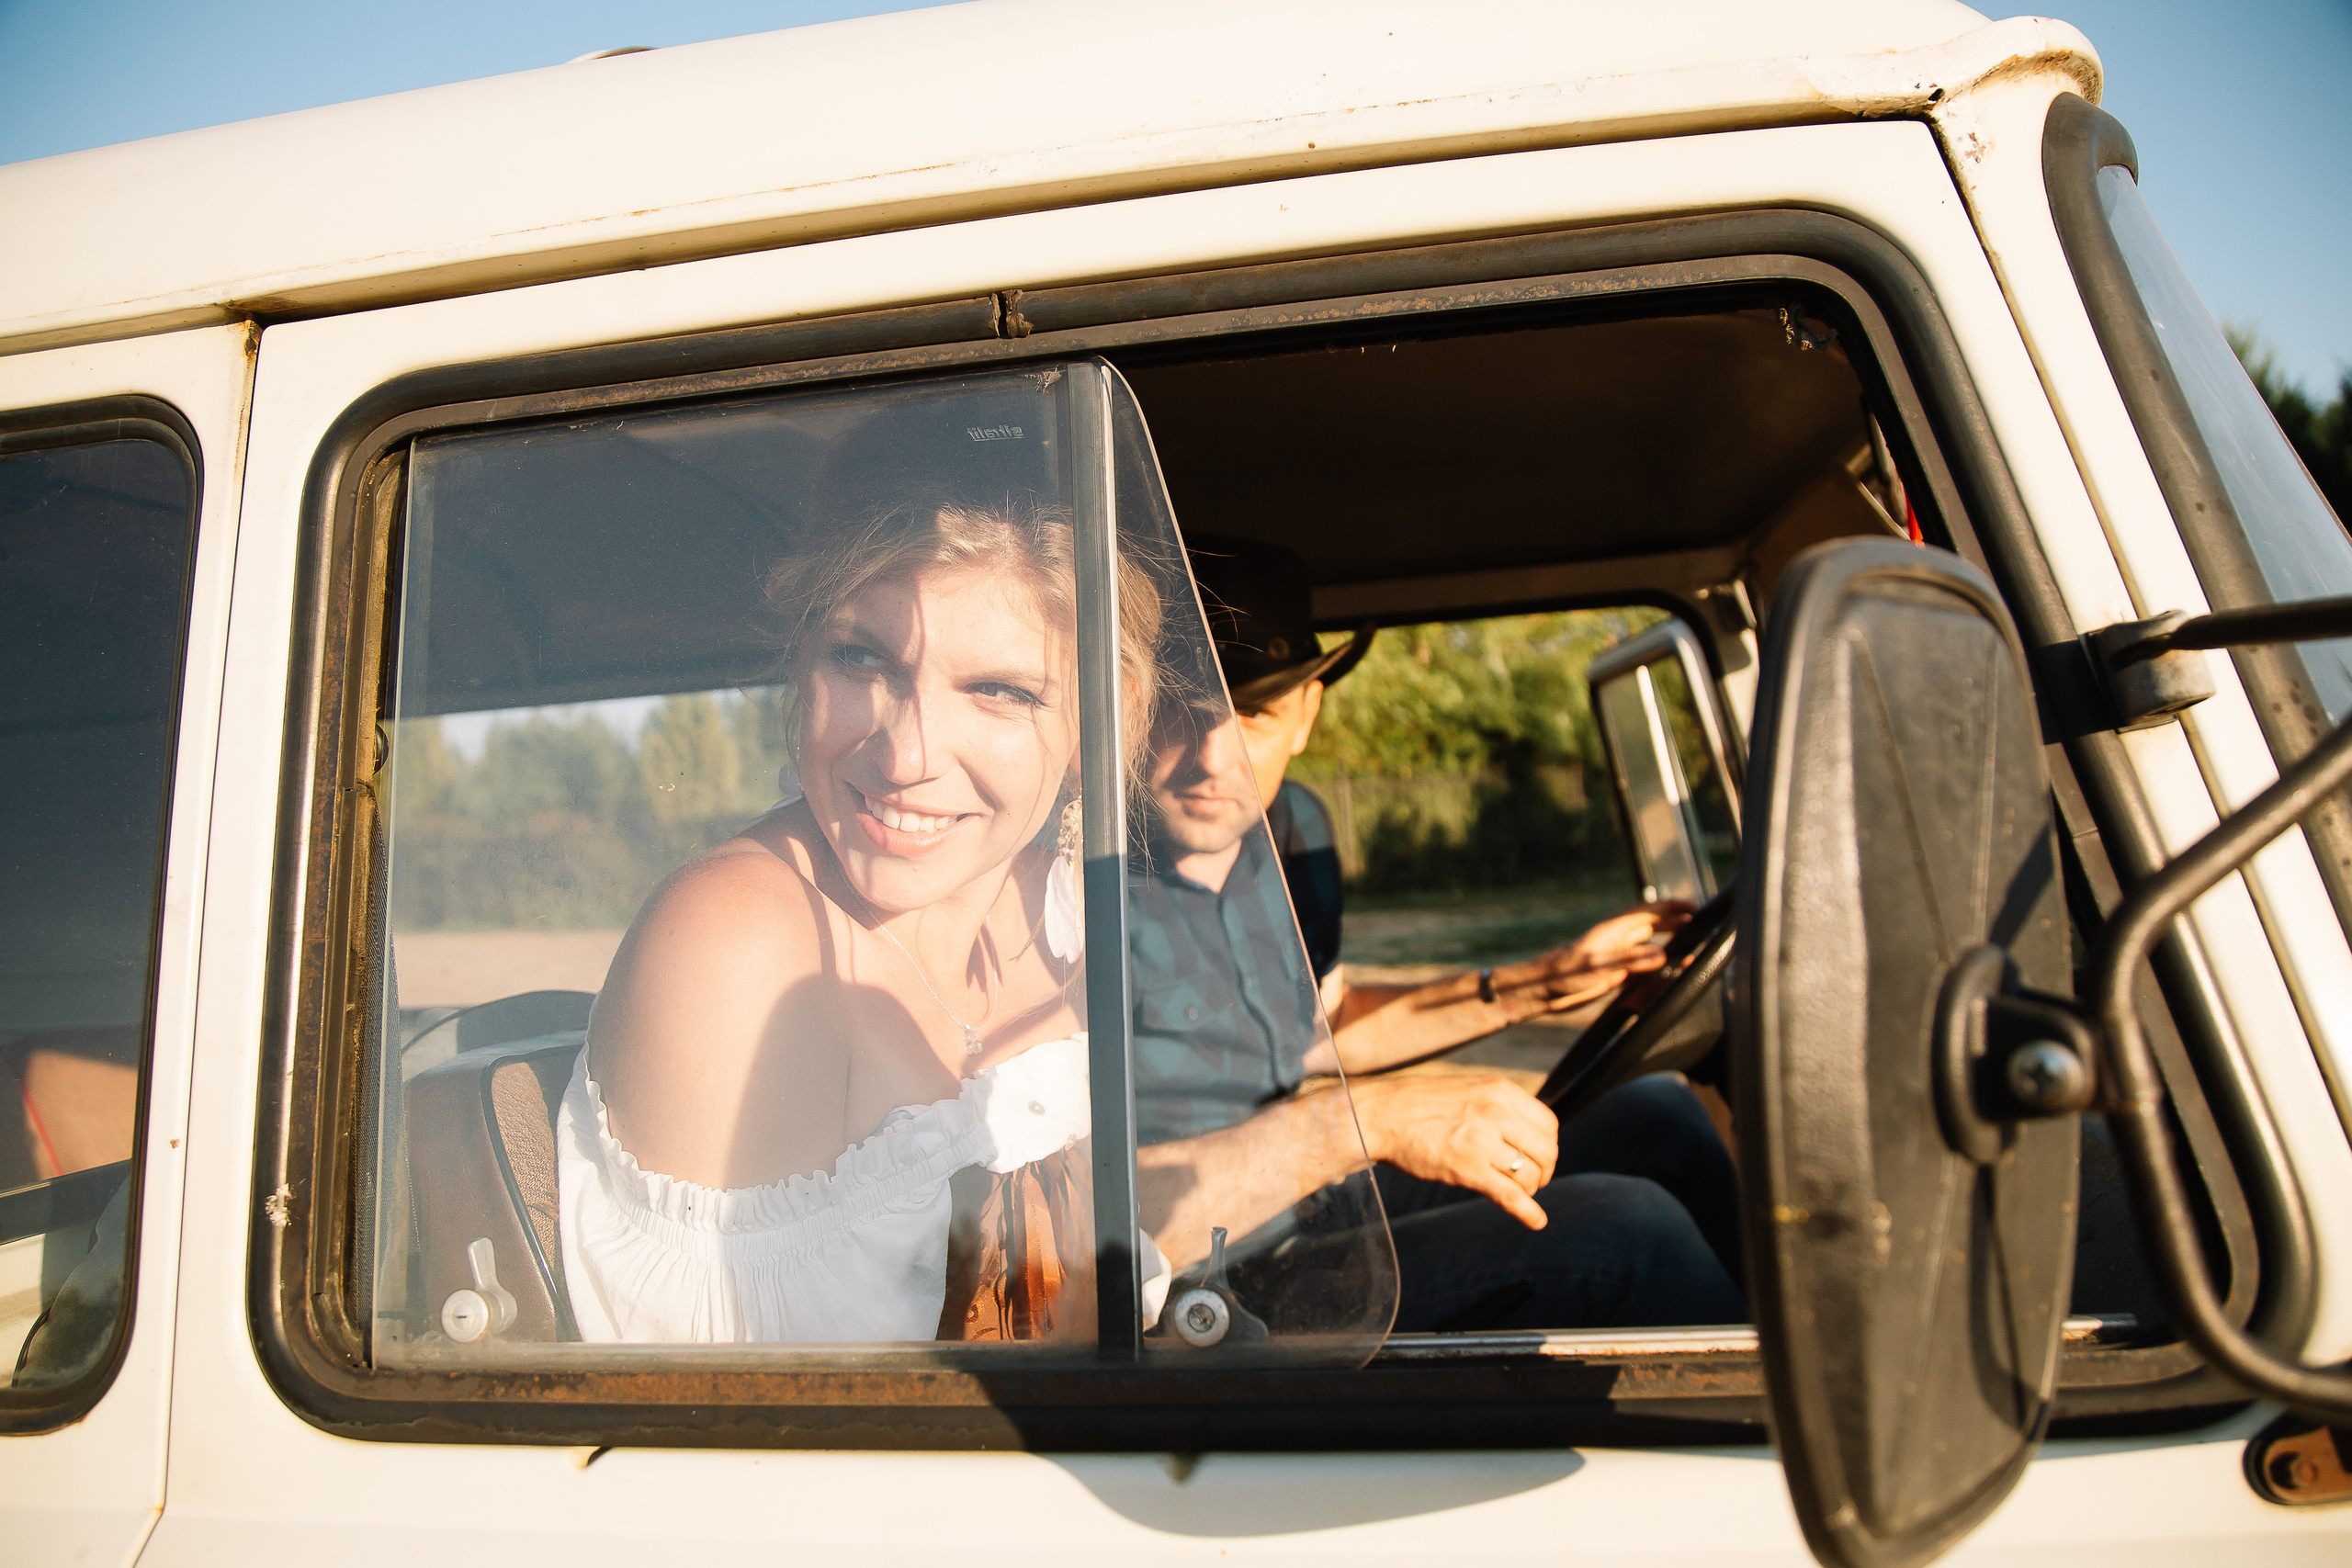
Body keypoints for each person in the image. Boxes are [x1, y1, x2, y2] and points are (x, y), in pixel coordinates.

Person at [561, 482, 1170, 1344]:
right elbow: (733, 1435)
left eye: (998, 689)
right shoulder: (740, 944)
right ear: (800, 661)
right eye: (862, 658)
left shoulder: (1055, 904)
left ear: (1095, 728)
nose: (906, 754)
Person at [1127, 536, 1744, 1330]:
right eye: (1187, 707)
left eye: (1253, 712)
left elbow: (1320, 1027)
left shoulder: (1295, 832)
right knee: (1632, 1233)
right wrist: (1376, 1120)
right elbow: (1084, 1228)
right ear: (1135, 700)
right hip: (1206, 1270)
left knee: (1662, 1117)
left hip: (1319, 1192)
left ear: (1307, 716)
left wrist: (1544, 982)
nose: (1213, 756)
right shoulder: (1070, 881)